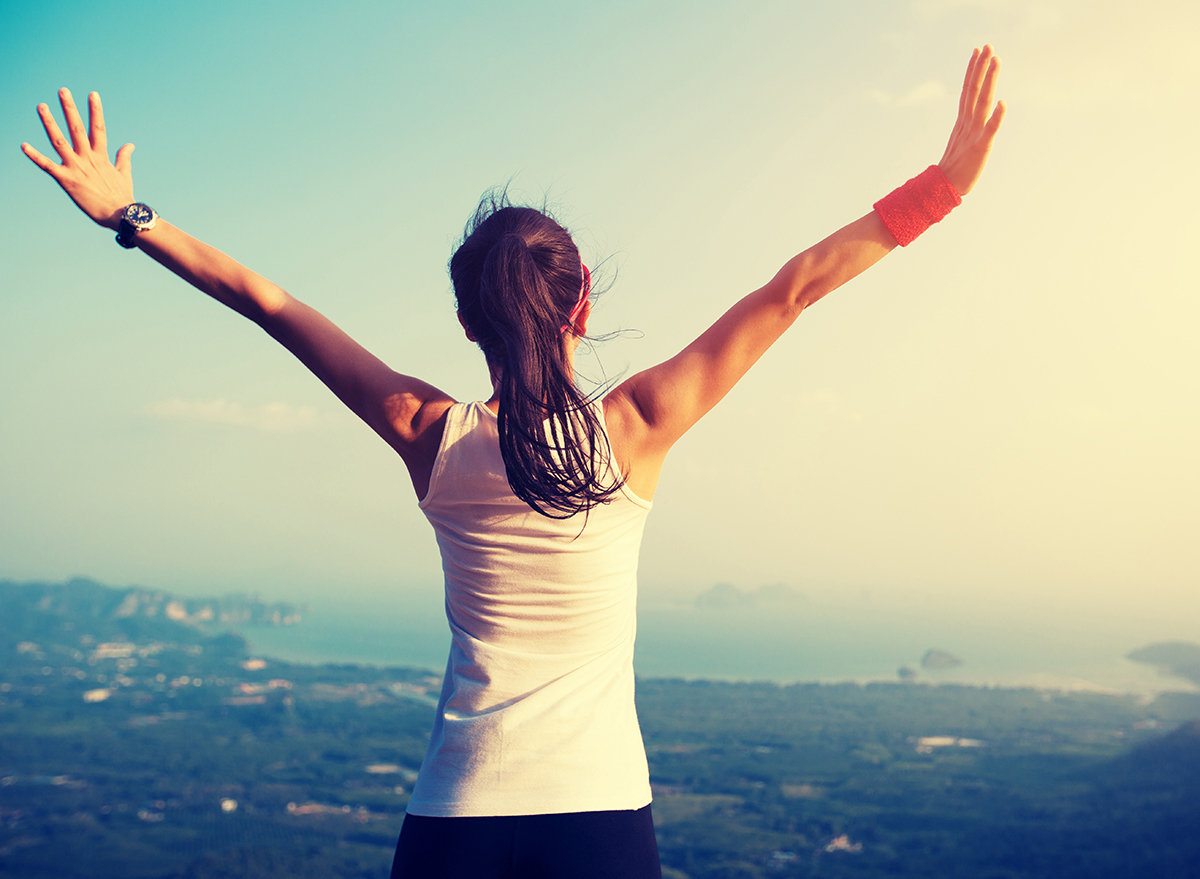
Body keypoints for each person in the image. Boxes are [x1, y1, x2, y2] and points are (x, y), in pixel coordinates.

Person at [23, 45, 1005, 879]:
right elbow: (794, 290)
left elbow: (269, 304)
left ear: (466, 323)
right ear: (581, 306)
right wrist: (944, 187)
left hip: (458, 820)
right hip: (603, 820)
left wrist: (129, 216)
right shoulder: (641, 427)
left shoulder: (427, 431)